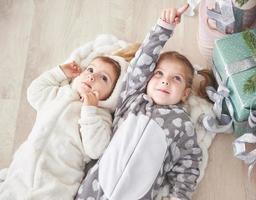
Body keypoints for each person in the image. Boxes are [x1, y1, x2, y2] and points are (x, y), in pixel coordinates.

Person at [76, 4, 206, 200]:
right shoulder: (132, 98)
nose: (165, 81)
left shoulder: (183, 124)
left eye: (176, 78)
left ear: (185, 94)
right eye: (159, 74)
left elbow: (189, 164)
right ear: (147, 79)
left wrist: (178, 196)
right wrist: (164, 28)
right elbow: (143, 60)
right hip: (94, 189)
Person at [0, 54, 129, 200]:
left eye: (104, 78)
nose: (93, 77)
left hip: (56, 184)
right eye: (90, 70)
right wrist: (60, 72)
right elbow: (34, 93)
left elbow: (96, 149)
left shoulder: (100, 117)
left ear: (112, 94)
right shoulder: (60, 94)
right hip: (21, 173)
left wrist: (89, 110)